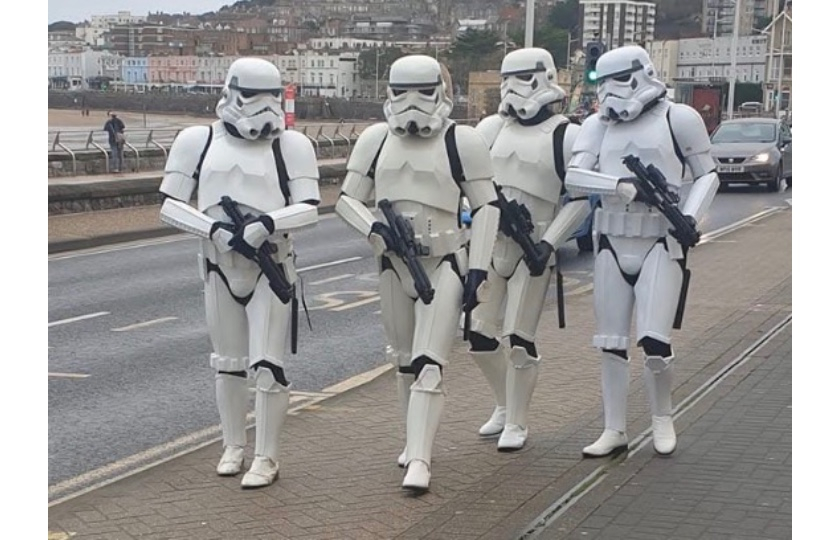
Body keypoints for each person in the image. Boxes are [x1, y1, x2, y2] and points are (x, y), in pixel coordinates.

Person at [335, 54, 500, 492]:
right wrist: (373, 229)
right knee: (405, 363)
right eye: (401, 91)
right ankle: (412, 442)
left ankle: (421, 460)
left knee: (430, 364)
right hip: (393, 266)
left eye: (423, 91)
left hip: (443, 262)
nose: (412, 102)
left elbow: (487, 205)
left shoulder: (461, 141)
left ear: (440, 91)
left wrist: (478, 268)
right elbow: (347, 199)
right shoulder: (375, 140)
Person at [157, 57, 321, 489]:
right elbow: (170, 203)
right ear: (230, 93)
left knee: (267, 364)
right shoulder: (198, 141)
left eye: (272, 97)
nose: (263, 107)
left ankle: (266, 455)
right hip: (218, 264)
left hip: (270, 264)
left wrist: (266, 224)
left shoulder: (292, 146)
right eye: (252, 96)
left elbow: (309, 207)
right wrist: (213, 230)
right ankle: (233, 445)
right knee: (228, 364)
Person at [564, 45, 719, 458]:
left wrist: (690, 217)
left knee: (655, 343)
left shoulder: (678, 118)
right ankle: (614, 428)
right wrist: (617, 186)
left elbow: (707, 175)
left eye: (619, 80)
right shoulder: (597, 126)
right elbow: (575, 177)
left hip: (660, 240)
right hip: (611, 242)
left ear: (643, 74)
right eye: (603, 82)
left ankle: (662, 418)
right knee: (611, 342)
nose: (611, 92)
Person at [470, 48, 592, 452]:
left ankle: (517, 420)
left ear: (545, 77)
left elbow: (579, 200)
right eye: (506, 79)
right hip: (494, 244)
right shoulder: (491, 129)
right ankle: (505, 403)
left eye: (521, 78)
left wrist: (548, 242)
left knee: (519, 338)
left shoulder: (566, 135)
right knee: (479, 333)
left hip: (534, 246)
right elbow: (471, 185)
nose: (512, 88)